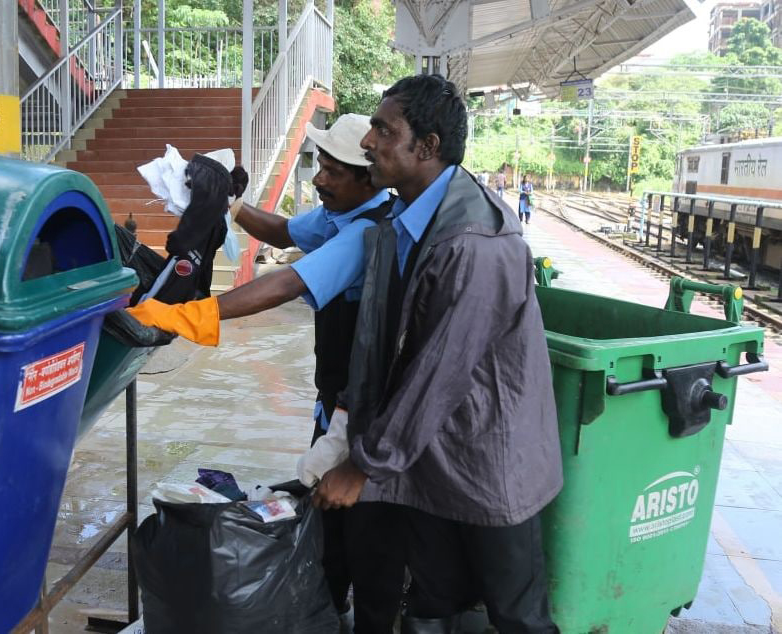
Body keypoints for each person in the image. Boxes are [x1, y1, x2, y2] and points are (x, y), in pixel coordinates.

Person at [313, 74, 562, 634]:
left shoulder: (475, 242)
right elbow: (386, 342)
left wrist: (362, 466)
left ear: (426, 147)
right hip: (433, 461)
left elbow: (439, 372)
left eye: (384, 129)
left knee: (518, 615)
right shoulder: (401, 223)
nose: (368, 143)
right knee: (434, 603)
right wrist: (350, 420)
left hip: (490, 462)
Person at [127, 113, 391, 628]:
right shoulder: (340, 213)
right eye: (321, 166)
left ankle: (349, 609)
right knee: (325, 512)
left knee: (360, 529)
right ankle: (323, 604)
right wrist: (231, 203)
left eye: (333, 170)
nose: (319, 179)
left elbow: (289, 282)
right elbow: (285, 231)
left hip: (362, 404)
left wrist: (196, 313)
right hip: (333, 393)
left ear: (369, 178)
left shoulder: (369, 231)